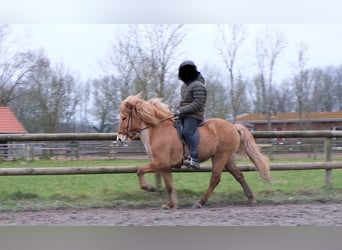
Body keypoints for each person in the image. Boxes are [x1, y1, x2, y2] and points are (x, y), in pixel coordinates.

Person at [174, 60, 207, 169]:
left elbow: (198, 104)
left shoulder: (198, 86)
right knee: (175, 130)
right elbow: (184, 101)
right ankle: (184, 156)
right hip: (184, 114)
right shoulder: (184, 86)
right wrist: (177, 110)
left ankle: (195, 158)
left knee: (187, 132)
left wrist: (181, 110)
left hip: (194, 115)